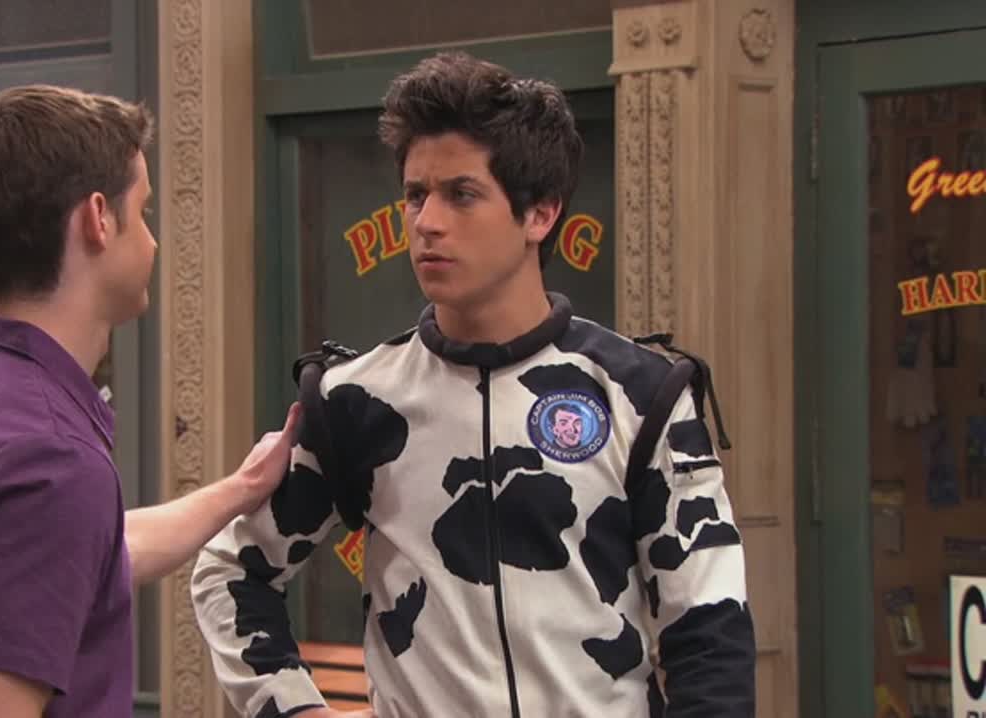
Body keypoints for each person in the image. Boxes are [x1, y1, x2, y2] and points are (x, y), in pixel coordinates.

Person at [191, 52, 756, 718]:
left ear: (539, 213)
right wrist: (294, 709)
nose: (426, 221)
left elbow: (709, 628)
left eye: (461, 194)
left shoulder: (640, 393)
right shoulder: (355, 401)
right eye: (415, 195)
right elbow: (232, 570)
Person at [0, 85, 301, 718]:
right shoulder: (46, 456)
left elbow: (88, 553)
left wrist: (243, 488)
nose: (152, 242)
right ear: (98, 219)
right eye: (142, 211)